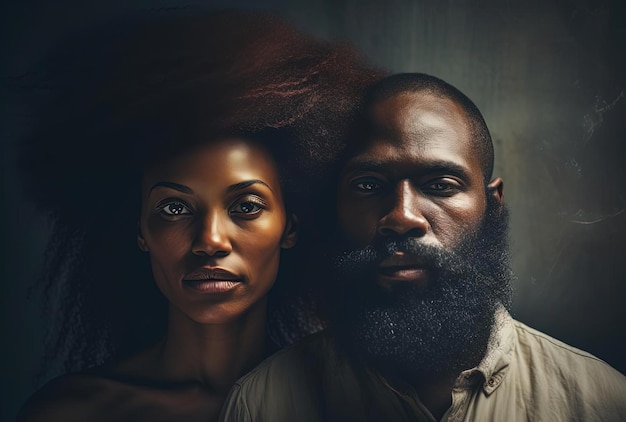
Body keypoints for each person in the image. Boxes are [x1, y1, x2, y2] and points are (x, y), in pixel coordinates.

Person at [16, 11, 378, 422]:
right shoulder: (75, 413)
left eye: (246, 207)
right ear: (140, 229)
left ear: (289, 227)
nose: (210, 240)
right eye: (174, 209)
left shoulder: (348, 407)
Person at [220, 73, 626, 421]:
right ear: (334, 207)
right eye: (368, 185)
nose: (403, 216)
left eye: (440, 185)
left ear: (492, 205)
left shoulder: (598, 402)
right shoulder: (263, 403)